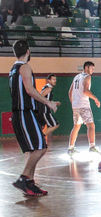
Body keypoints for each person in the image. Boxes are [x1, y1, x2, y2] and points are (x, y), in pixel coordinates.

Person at [9, 40, 59, 196]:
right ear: (28, 52)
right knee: (41, 148)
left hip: (23, 113)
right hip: (24, 113)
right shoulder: (24, 67)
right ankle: (24, 178)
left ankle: (29, 183)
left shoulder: (13, 69)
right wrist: (48, 103)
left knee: (34, 149)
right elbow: (30, 91)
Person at [67, 61, 100, 156]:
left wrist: (73, 103)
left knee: (76, 126)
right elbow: (85, 91)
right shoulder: (87, 77)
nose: (93, 71)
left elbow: (70, 92)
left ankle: (70, 148)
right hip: (84, 105)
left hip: (75, 106)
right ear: (86, 68)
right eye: (92, 68)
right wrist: (95, 99)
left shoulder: (76, 77)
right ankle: (92, 147)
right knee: (91, 125)